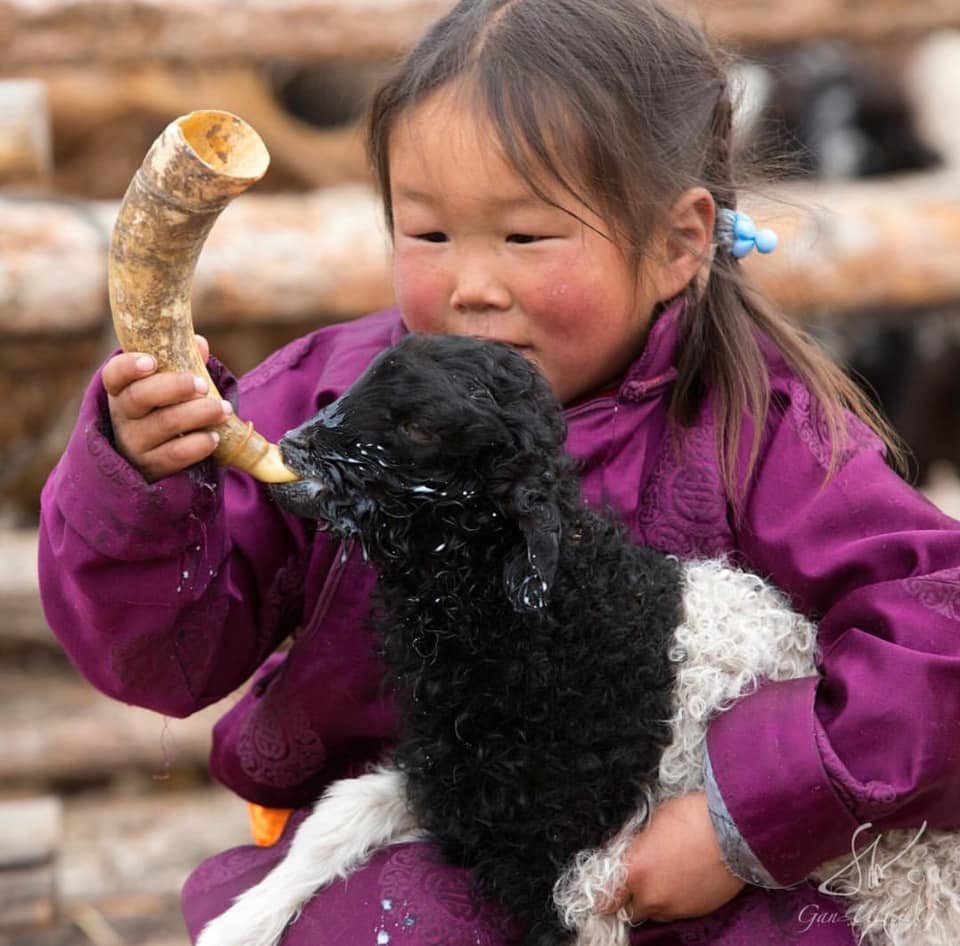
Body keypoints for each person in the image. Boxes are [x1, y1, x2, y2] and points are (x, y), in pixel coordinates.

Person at [38, 0, 960, 943]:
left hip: (689, 862)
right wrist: (148, 485)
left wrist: (739, 823)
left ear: (678, 243)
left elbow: (938, 634)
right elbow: (160, 657)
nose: (473, 285)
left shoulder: (757, 432)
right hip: (418, 846)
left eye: (525, 238)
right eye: (429, 235)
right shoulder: (329, 406)